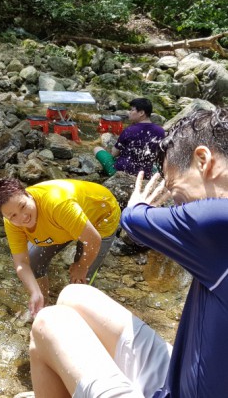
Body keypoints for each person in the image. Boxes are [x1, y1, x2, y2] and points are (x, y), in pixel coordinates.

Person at [29, 108, 228, 397]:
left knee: (49, 322)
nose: (177, 207)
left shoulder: (218, 220)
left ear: (203, 160)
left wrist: (137, 206)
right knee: (75, 295)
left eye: (176, 194)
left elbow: (134, 221)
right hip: (179, 379)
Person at [0, 178, 121, 317]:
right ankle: (42, 307)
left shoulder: (57, 204)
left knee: (79, 283)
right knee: (33, 262)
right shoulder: (11, 222)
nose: (23, 217)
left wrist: (82, 265)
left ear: (28, 194)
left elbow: (93, 240)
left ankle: (79, 317)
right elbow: (21, 262)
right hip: (64, 223)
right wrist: (35, 292)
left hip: (100, 217)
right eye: (13, 216)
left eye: (23, 206)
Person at [94, 98, 165, 178]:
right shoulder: (160, 131)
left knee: (97, 149)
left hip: (120, 172)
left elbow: (114, 154)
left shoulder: (130, 130)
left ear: (141, 113)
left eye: (132, 110)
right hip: (145, 174)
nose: (129, 112)